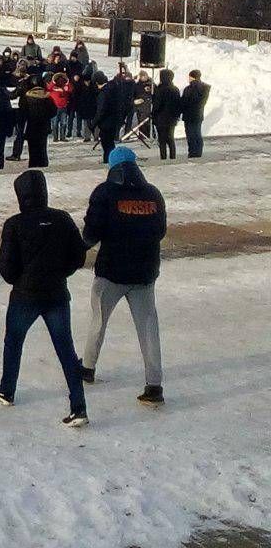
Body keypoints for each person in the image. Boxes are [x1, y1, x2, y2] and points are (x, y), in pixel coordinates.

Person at [0, 170, 90, 428]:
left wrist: (20, 280)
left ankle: (7, 389)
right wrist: (59, 273)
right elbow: (78, 256)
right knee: (66, 349)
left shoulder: (14, 224)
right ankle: (79, 408)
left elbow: (5, 266)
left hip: (25, 296)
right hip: (56, 294)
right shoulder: (62, 219)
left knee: (14, 341)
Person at [80, 147, 168, 406]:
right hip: (145, 272)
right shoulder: (153, 193)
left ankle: (87, 368)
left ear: (112, 167)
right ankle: (154, 385)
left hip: (111, 271)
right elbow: (160, 230)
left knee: (99, 320)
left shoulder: (105, 192)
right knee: (149, 327)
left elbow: (92, 231)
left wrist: (76, 249)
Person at [18, 76, 57, 169]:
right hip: (44, 126)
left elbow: (22, 113)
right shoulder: (47, 97)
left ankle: (33, 165)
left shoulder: (26, 98)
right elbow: (53, 111)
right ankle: (43, 164)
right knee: (42, 147)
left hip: (31, 126)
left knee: (32, 148)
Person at [152, 69, 182, 161]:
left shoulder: (159, 89)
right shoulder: (175, 89)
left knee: (162, 139)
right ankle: (173, 156)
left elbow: (157, 104)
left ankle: (163, 157)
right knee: (171, 138)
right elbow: (178, 104)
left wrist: (153, 114)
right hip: (172, 118)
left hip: (160, 117)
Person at [181, 69, 210, 159]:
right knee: (197, 133)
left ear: (191, 77)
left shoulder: (188, 89)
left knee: (190, 134)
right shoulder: (205, 88)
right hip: (198, 114)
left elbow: (183, 102)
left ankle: (192, 152)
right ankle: (198, 152)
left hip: (188, 115)